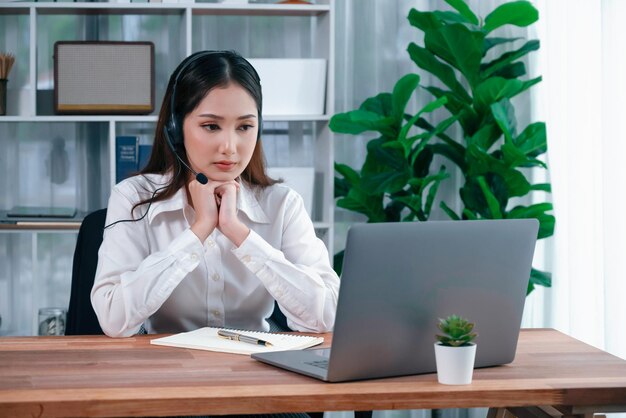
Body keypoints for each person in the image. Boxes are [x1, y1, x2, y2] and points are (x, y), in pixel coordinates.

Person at [91, 50, 339, 338]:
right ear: (175, 130)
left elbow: (325, 318)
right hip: (165, 370)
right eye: (211, 126)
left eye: (245, 127)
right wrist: (196, 233)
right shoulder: (133, 198)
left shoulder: (282, 204)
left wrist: (240, 235)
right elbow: (114, 320)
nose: (230, 147)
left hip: (255, 372)